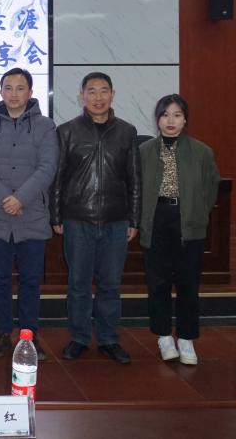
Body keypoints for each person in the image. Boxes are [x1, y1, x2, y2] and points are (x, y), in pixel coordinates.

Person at [50, 71, 141, 364]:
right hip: (77, 219)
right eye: (91, 91)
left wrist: (134, 219)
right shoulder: (67, 131)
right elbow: (58, 178)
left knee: (110, 284)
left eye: (104, 91)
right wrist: (56, 215)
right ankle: (79, 337)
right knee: (78, 284)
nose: (98, 97)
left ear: (112, 95)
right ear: (82, 96)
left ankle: (108, 339)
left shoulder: (127, 131)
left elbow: (135, 179)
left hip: (116, 220)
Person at [0, 68, 58, 360]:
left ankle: (29, 336)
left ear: (30, 93)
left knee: (30, 280)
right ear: (0, 92)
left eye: (20, 88)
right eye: (8, 88)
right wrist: (5, 199)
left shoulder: (46, 126)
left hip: (31, 214)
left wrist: (20, 198)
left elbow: (48, 167)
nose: (13, 93)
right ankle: (2, 334)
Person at [139, 94, 220, 366]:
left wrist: (197, 213)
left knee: (188, 284)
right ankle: (163, 336)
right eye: (165, 115)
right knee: (158, 283)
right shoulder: (144, 151)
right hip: (156, 220)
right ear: (157, 119)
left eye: (176, 115)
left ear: (185, 119)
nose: (170, 121)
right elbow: (135, 189)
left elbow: (210, 188)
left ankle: (186, 338)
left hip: (188, 223)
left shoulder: (202, 152)